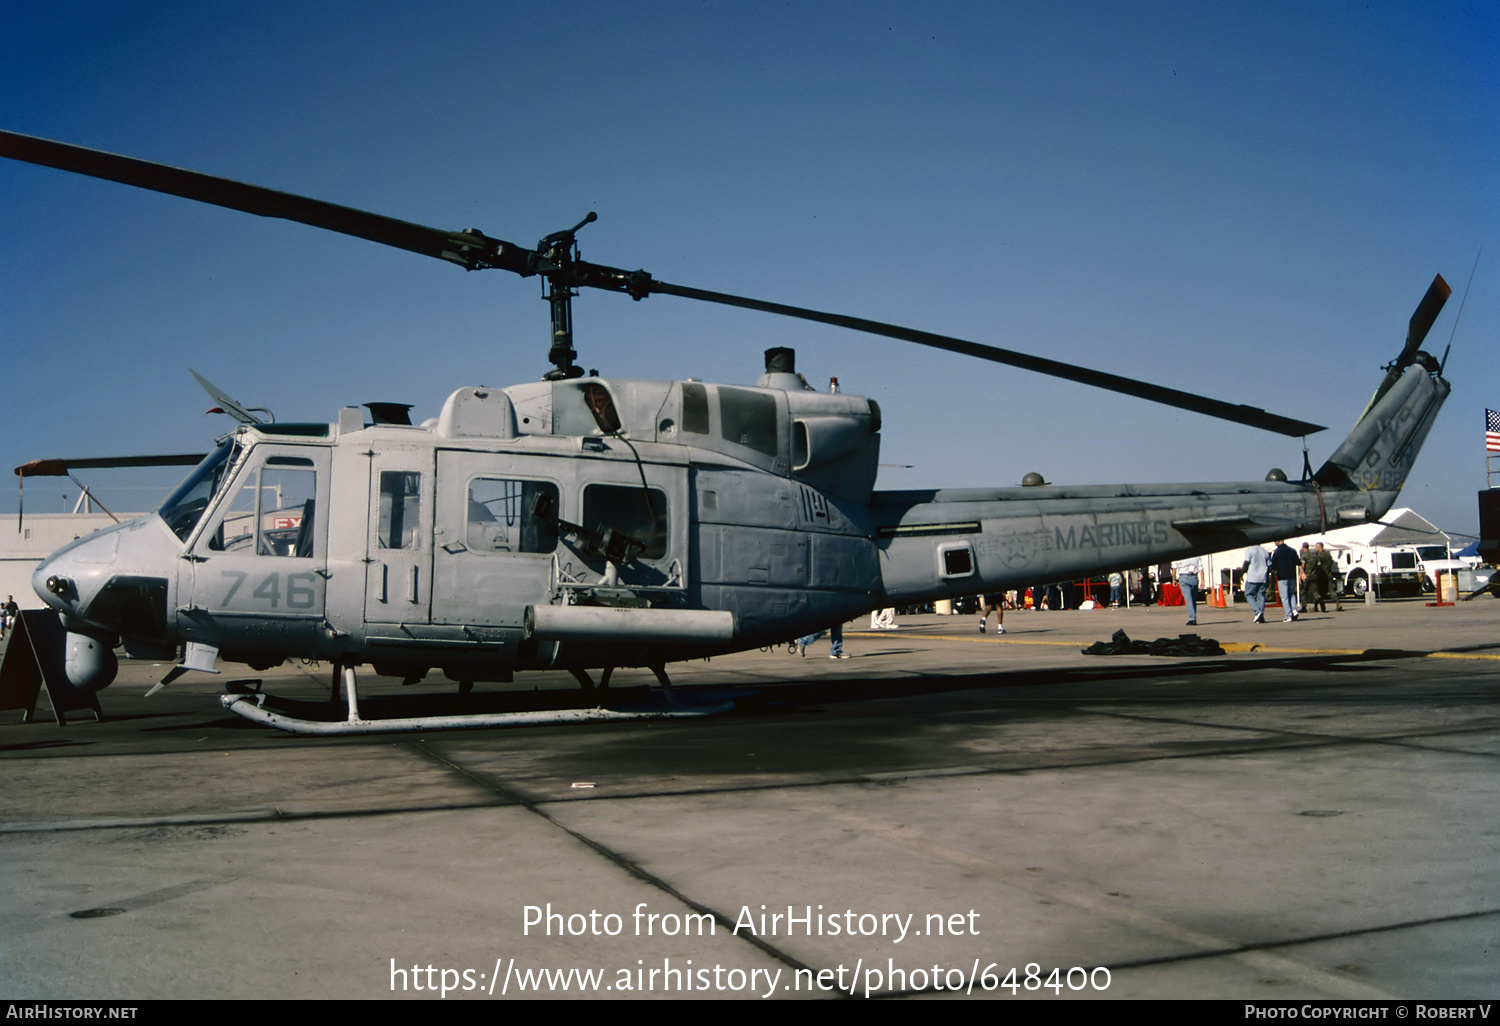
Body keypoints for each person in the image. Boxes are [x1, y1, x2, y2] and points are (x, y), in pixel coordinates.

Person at [1270, 540, 1301, 622]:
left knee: (1284, 597)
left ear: (1278, 541)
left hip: (1282, 576)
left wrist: (1272, 572)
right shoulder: (1292, 550)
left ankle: (1288, 615)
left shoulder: (1276, 552)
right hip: (1291, 575)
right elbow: (1298, 562)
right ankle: (1294, 610)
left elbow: (1273, 565)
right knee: (1292, 594)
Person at [1306, 542, 1341, 612]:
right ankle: (1338, 603)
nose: (1315, 548)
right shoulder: (1328, 554)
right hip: (1329, 574)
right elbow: (1330, 563)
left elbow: (1318, 566)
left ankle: (1316, 607)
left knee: (1317, 591)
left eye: (1316, 547)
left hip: (1322, 576)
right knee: (1331, 590)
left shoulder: (1319, 556)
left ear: (1320, 547)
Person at [1242, 544, 1270, 624]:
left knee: (1248, 594)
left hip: (1253, 576)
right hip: (1263, 576)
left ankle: (1257, 612)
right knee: (1261, 596)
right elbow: (1269, 566)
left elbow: (1246, 563)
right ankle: (1261, 615)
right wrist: (1267, 579)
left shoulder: (1249, 550)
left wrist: (1241, 574)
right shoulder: (1265, 551)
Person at [1172, 556, 1202, 626]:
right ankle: (1193, 616)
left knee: (1188, 599)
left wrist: (1174, 579)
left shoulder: (1178, 554)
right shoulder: (1196, 555)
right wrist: (1202, 580)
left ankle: (1192, 618)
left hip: (1183, 576)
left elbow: (1174, 568)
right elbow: (1201, 568)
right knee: (1193, 599)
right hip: (1194, 577)